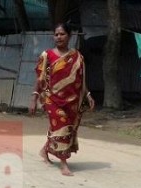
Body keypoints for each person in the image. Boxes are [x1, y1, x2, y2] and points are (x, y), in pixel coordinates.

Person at [29, 22, 95, 176]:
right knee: (62, 126)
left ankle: (45, 151)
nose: (58, 37)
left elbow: (82, 80)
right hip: (51, 99)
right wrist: (34, 97)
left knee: (65, 129)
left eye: (62, 34)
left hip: (72, 101)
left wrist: (88, 95)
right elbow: (40, 79)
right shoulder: (47, 55)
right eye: (56, 34)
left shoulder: (78, 57)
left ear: (69, 36)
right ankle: (63, 164)